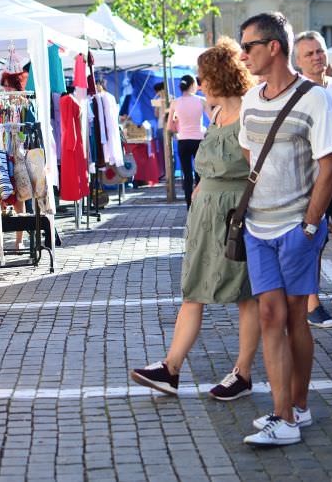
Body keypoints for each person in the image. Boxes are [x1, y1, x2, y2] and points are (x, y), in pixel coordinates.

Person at [130, 38, 258, 400]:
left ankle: (243, 373)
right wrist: (203, 185)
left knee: (245, 296)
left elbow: (257, 168)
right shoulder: (214, 113)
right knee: (193, 290)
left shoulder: (249, 111)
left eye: (204, 77)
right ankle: (170, 368)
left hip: (235, 212)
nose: (199, 84)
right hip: (207, 214)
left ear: (220, 76)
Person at [238, 12, 332, 446]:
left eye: (249, 47)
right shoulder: (249, 99)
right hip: (257, 227)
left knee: (296, 319)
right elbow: (251, 157)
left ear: (273, 47)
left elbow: (331, 165)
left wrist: (311, 222)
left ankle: (294, 410)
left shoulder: (313, 99)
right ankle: (286, 411)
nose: (243, 55)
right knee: (270, 315)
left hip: (298, 228)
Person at [294, 30, 332, 328]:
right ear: (298, 61)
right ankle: (311, 302)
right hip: (314, 178)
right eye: (310, 54)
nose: (318, 57)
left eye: (319, 51)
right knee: (314, 240)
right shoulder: (299, 91)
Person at [166, 74, 213, 208]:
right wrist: (204, 129)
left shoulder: (175, 102)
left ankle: (189, 205)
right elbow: (213, 120)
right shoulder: (201, 100)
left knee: (187, 175)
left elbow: (170, 127)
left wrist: (178, 124)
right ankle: (200, 204)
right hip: (199, 140)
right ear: (193, 85)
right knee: (200, 174)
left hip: (183, 141)